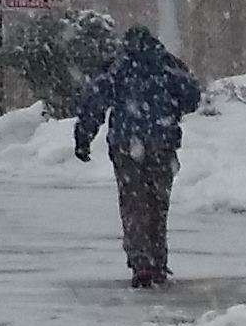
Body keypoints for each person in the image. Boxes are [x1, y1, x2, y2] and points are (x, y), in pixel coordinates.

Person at [69, 23, 206, 288]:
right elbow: (192, 96)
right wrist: (170, 109)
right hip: (162, 142)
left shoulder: (117, 69)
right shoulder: (168, 67)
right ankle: (158, 260)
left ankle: (140, 261)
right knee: (157, 202)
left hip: (125, 142)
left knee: (133, 202)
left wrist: (83, 138)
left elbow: (93, 102)